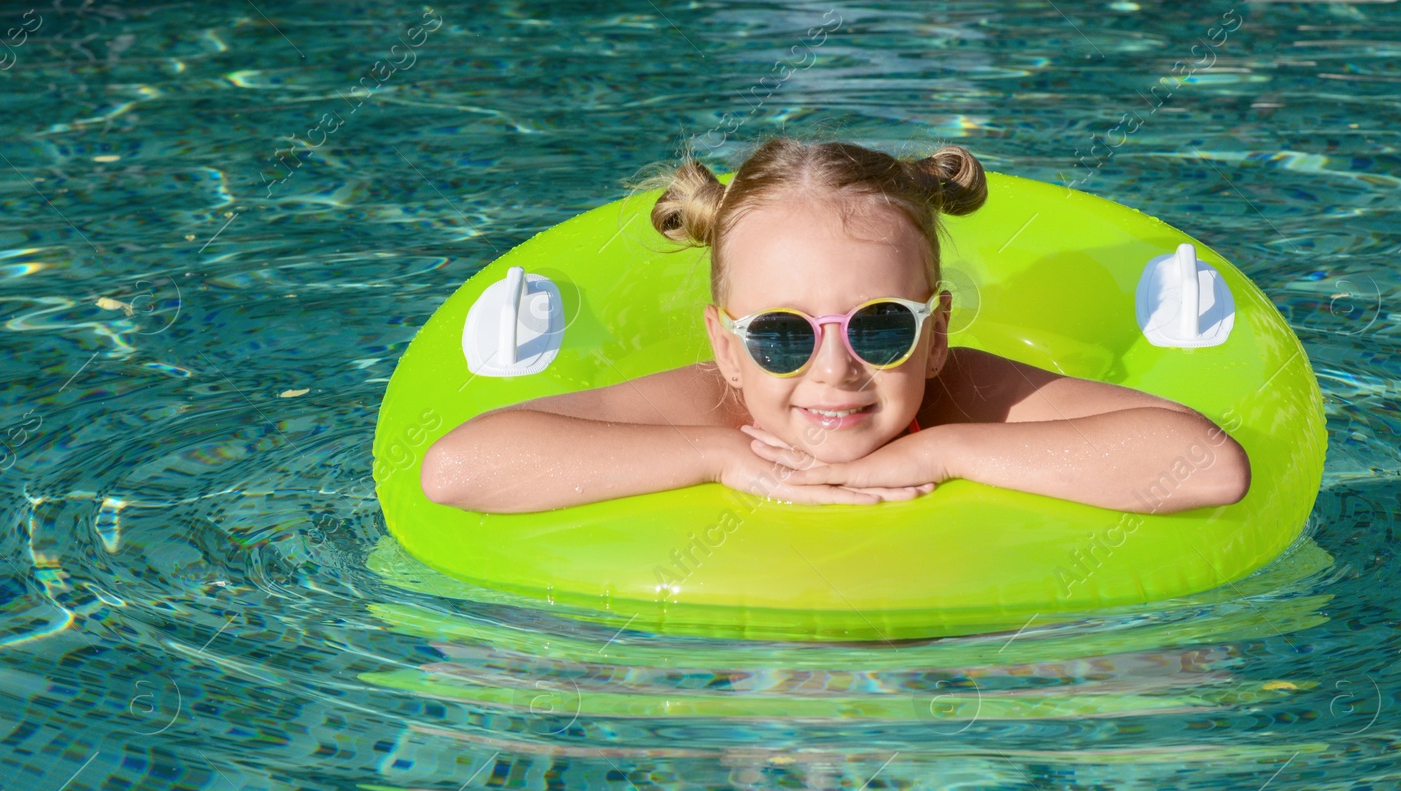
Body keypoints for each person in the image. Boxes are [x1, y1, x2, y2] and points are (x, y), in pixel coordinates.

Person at [421, 138, 1249, 515]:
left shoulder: (965, 395)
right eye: (781, 335)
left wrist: (943, 449)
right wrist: (718, 458)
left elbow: (1207, 467)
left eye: (880, 327)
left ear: (935, 332)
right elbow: (458, 467)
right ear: (725, 346)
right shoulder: (714, 408)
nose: (834, 370)